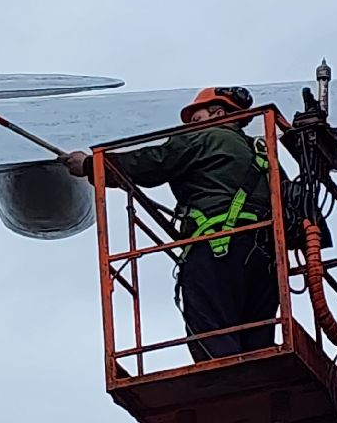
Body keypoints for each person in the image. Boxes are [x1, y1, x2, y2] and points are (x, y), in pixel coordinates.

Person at [63, 87, 279, 362]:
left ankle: (230, 383)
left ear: (219, 113)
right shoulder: (261, 151)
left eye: (196, 116)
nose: (191, 123)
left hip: (217, 248)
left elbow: (152, 163)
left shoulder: (204, 137)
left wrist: (91, 165)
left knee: (213, 337)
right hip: (267, 258)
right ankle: (259, 385)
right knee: (257, 337)